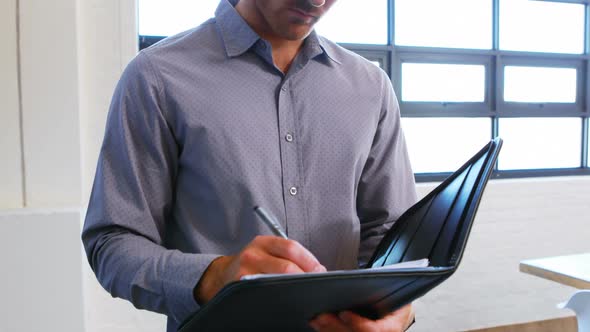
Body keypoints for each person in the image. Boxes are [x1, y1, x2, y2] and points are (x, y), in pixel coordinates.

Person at [82, 0, 418, 331]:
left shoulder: (372, 87)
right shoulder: (156, 77)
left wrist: (398, 308)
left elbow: (392, 233)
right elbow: (113, 243)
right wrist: (215, 276)